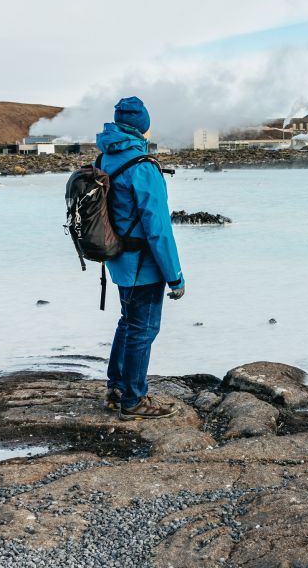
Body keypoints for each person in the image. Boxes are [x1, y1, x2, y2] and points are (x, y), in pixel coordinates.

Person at [96, 96, 185, 420]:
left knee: (129, 323)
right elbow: (159, 230)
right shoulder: (143, 168)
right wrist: (175, 276)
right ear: (142, 126)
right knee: (143, 330)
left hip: (118, 259)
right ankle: (133, 400)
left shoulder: (106, 157)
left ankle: (116, 387)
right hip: (143, 266)